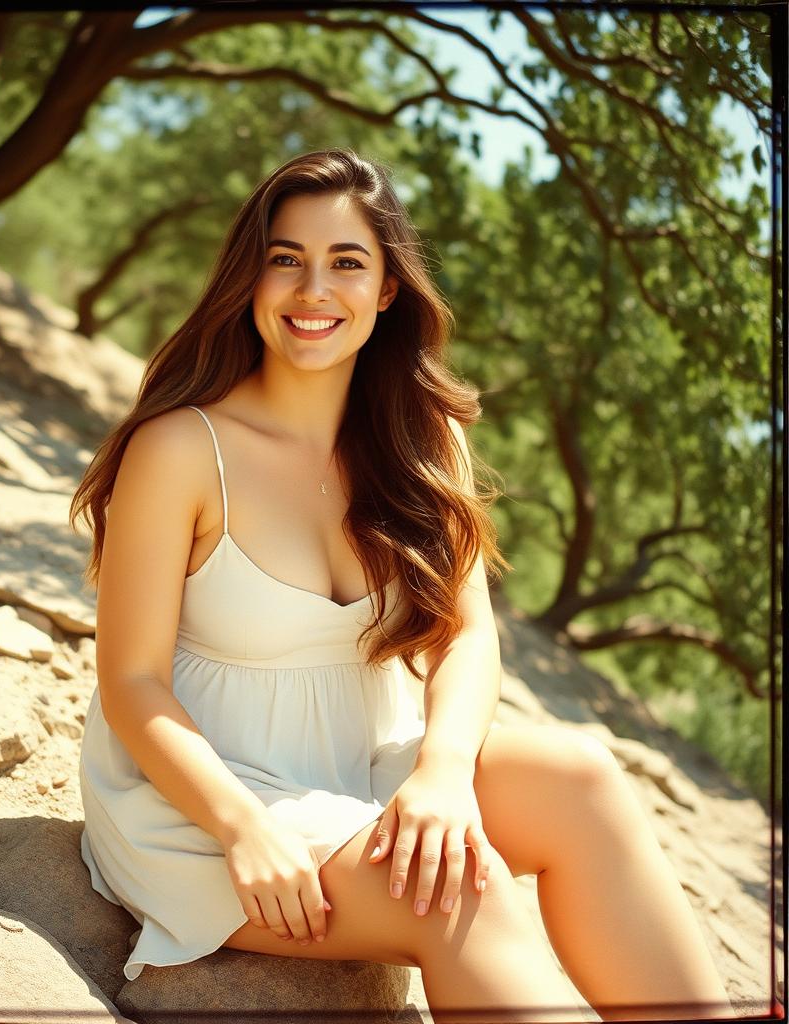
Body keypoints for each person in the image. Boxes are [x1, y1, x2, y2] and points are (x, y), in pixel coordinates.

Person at [69, 149, 734, 1023]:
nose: (314, 290)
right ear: (250, 277)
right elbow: (131, 682)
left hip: (364, 755)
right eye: (286, 259)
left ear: (387, 290)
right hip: (209, 795)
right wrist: (243, 828)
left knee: (584, 777)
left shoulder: (422, 439)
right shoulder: (183, 448)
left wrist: (445, 773)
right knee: (463, 888)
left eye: (347, 263)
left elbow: (466, 634)